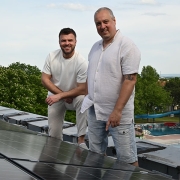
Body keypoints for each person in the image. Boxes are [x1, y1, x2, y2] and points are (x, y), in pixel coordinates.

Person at [81, 7, 141, 165]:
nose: (102, 26)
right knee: (95, 154)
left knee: (127, 159)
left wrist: (117, 111)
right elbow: (91, 75)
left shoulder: (127, 45)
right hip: (95, 110)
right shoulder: (95, 47)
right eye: (98, 23)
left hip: (118, 115)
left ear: (114, 21)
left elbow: (130, 80)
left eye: (105, 21)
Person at [41, 27, 88, 149]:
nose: (67, 43)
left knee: (83, 99)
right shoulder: (52, 56)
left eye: (70, 40)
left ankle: (81, 140)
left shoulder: (81, 62)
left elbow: (83, 89)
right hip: (56, 97)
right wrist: (60, 95)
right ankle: (54, 156)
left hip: (74, 98)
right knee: (54, 136)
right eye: (64, 40)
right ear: (59, 42)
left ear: (75, 42)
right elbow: (45, 79)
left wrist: (63, 95)